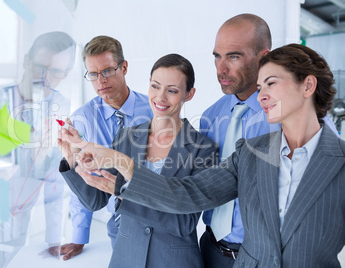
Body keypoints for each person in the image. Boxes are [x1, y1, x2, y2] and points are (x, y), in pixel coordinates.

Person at [71, 43, 345, 268]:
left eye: (270, 84)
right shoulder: (249, 153)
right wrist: (108, 163)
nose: (261, 97)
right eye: (260, 88)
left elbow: (182, 219)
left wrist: (122, 169)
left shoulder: (339, 160)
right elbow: (186, 194)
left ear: (308, 86)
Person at [198, 13, 338, 267]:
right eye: (217, 56)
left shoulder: (299, 119)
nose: (221, 69)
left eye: (234, 56)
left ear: (264, 57)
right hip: (211, 250)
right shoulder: (210, 117)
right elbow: (202, 186)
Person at [58, 53, 218, 267]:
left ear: (189, 94)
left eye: (172, 90)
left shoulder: (203, 149)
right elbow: (95, 201)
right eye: (155, 86)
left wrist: (124, 194)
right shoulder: (126, 137)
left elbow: (183, 223)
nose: (160, 98)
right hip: (126, 257)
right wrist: (72, 157)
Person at [59, 35, 153, 261]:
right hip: (120, 222)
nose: (100, 80)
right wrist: (79, 235)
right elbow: (81, 180)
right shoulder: (82, 119)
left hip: (156, 212)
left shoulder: (153, 109)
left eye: (108, 71)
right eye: (93, 74)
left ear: (124, 67)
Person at [0, 31, 76, 259]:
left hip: (41, 202)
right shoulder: (1, 101)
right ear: (26, 61)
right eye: (39, 67)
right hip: (4, 200)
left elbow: (56, 173)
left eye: (56, 73)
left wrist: (54, 239)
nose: (45, 78)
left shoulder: (61, 104)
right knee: (8, 251)